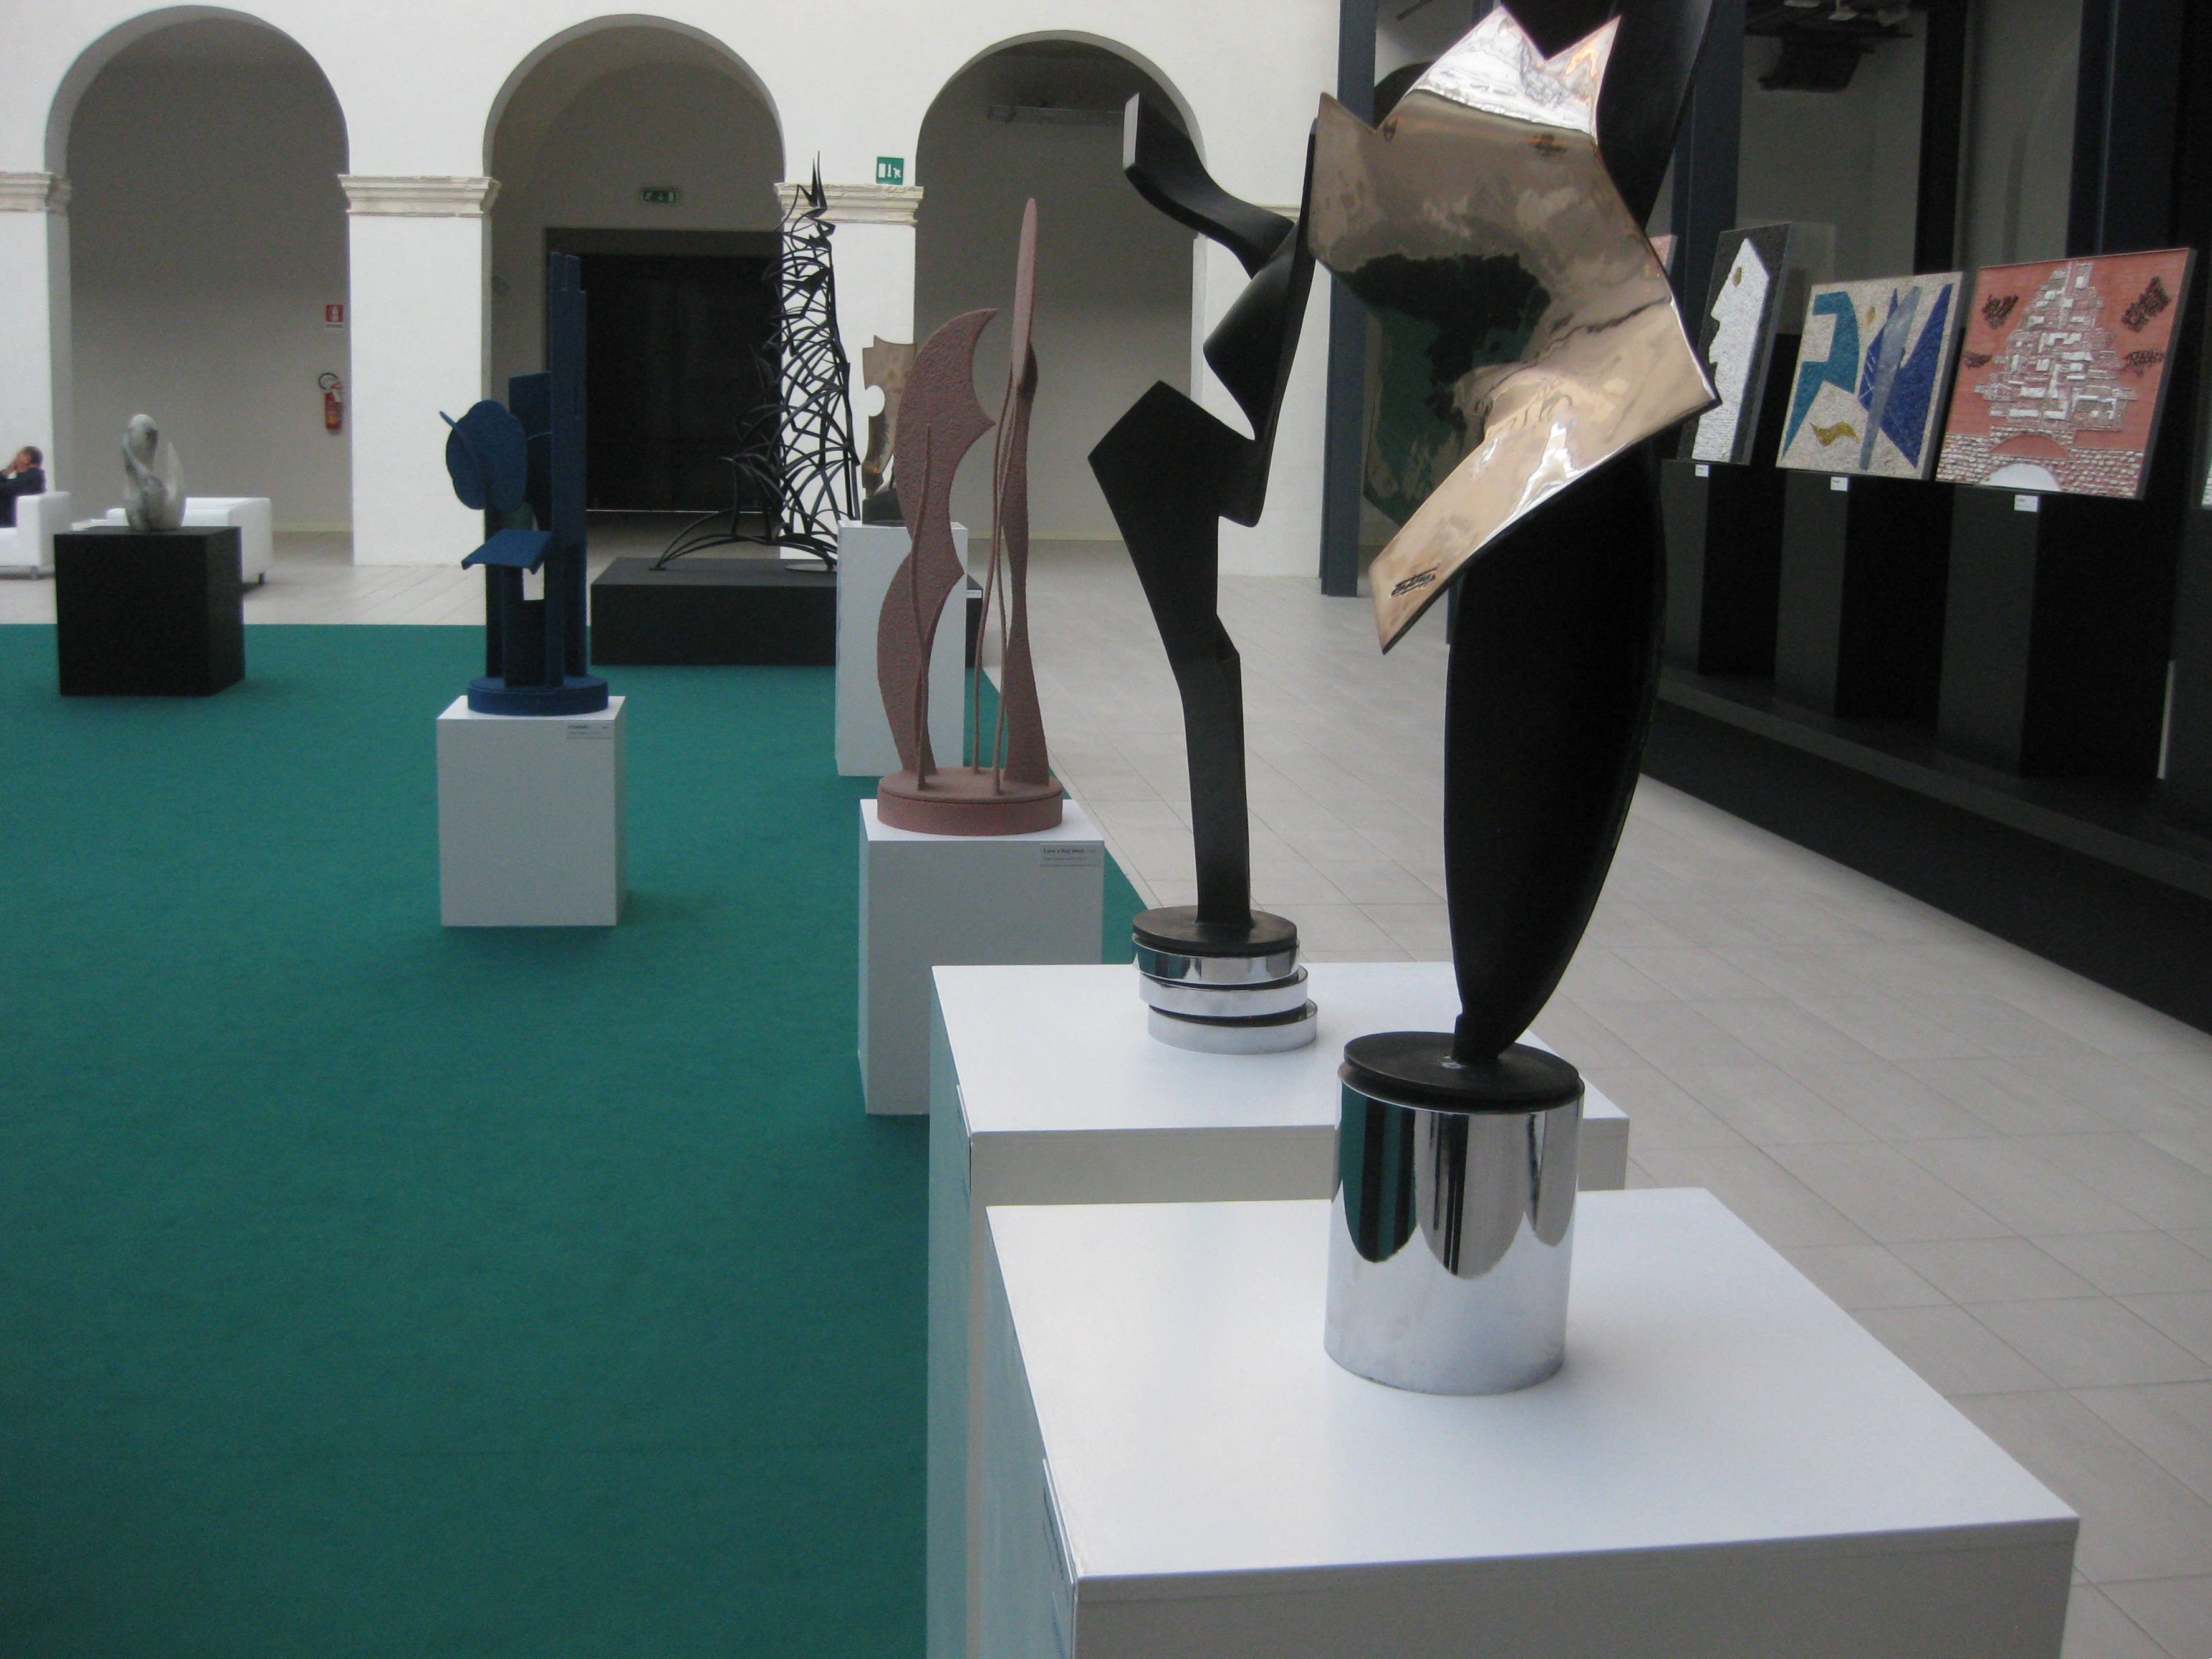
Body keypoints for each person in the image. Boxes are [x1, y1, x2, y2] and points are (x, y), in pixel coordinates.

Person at [0, 446, 46, 528]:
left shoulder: (31, 478)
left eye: (17, 457)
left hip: (11, 526)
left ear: (27, 460)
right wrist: (5, 473)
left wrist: (5, 473)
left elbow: (4, 489)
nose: (14, 461)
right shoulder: (33, 477)